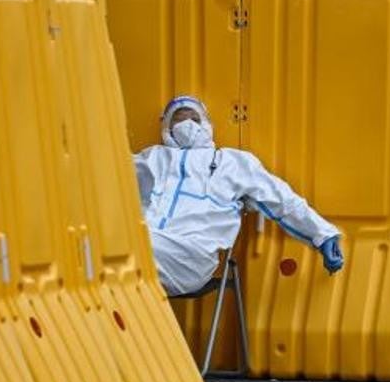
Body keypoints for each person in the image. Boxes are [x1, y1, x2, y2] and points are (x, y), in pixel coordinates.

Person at [134, 95, 344, 296]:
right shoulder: (152, 158)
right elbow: (111, 173)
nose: (187, 124)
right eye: (178, 119)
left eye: (194, 118)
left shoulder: (232, 163)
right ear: (167, 127)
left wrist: (322, 234)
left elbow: (280, 198)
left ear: (207, 125)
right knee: (115, 250)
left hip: (191, 256)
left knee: (121, 252)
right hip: (149, 245)